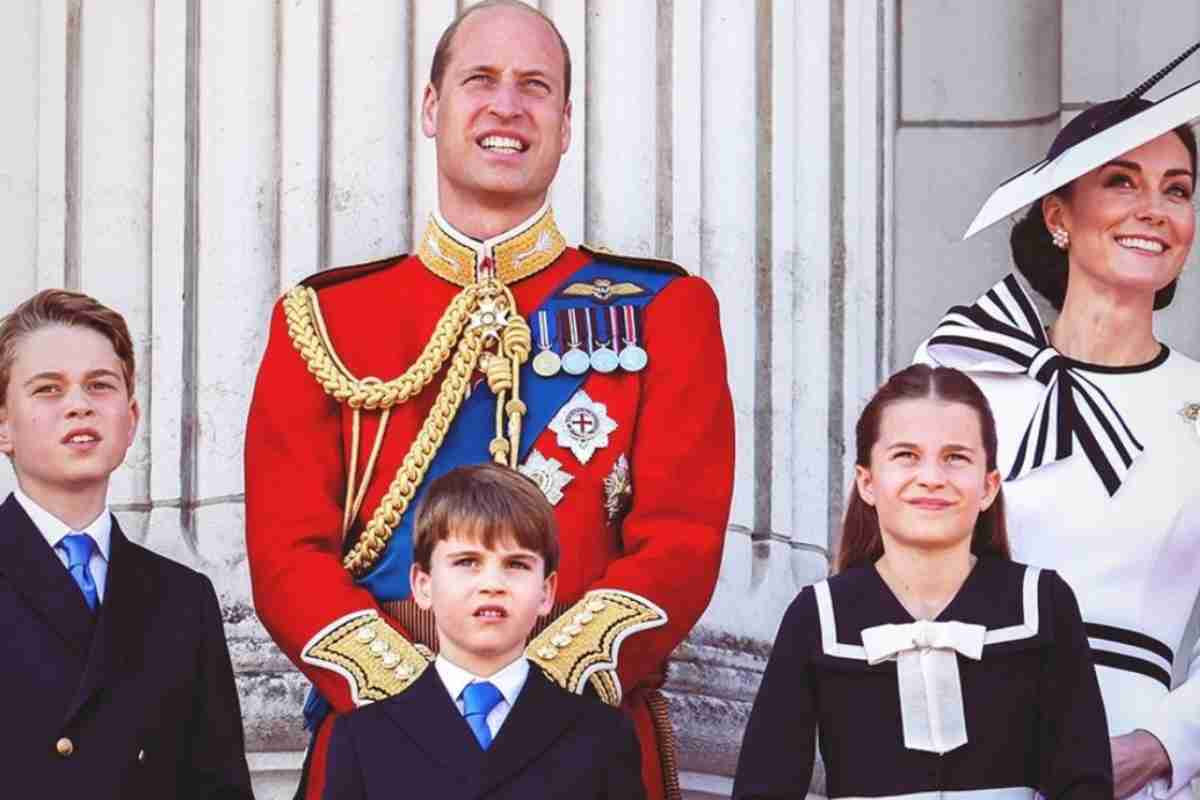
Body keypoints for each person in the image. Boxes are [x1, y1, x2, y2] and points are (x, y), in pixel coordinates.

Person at [244, 2, 735, 798]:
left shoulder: (663, 310)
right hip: (380, 727)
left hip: (585, 739)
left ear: (565, 123)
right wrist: (417, 697)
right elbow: (283, 552)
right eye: (481, 80)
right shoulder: (327, 319)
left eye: (534, 86)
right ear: (433, 109)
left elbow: (680, 540)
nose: (507, 106)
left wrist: (534, 693)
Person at [918, 52, 1200, 799]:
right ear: (1057, 215)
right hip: (952, 744)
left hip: (1134, 763)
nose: (1155, 210)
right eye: (1121, 181)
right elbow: (878, 570)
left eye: (1178, 191)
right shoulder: (963, 372)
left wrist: (1161, 745)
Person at [732, 365, 1112, 799]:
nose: (932, 477)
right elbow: (764, 787)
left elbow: (1085, 783)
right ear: (868, 482)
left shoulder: (1042, 604)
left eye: (956, 457)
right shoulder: (817, 615)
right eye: (906, 455)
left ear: (988, 486)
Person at [0, 289, 253, 799]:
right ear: (3, 425)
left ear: (131, 417)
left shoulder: (185, 601)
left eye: (100, 386)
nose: (78, 405)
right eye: (48, 389)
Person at [322, 463, 645, 799]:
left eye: (516, 564)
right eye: (467, 562)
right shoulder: (363, 739)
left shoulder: (603, 737)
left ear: (546, 593)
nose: (492, 584)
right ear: (423, 585)